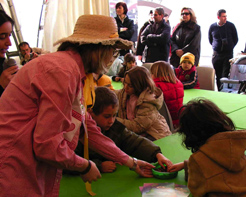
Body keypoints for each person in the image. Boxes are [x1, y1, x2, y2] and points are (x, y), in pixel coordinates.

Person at [0, 14, 155, 196]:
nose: (112, 58)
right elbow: (47, 145)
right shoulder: (64, 72)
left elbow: (89, 129)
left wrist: (132, 162)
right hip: (13, 170)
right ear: (98, 49)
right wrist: (84, 165)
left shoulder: (73, 71)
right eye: (113, 51)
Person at [168, 99, 246, 197]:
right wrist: (186, 164)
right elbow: (220, 169)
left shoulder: (198, 159)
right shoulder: (233, 145)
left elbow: (196, 190)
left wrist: (192, 166)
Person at [74, 86, 173, 173]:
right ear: (91, 113)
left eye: (114, 115)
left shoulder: (115, 127)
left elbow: (134, 141)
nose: (111, 121)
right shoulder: (78, 133)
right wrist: (98, 165)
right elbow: (70, 160)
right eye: (107, 116)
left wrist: (156, 154)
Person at [116, 66, 172, 141]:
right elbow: (114, 93)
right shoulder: (126, 93)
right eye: (125, 82)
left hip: (155, 135)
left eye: (130, 85)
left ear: (140, 85)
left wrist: (115, 120)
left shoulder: (148, 101)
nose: (125, 87)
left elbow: (138, 126)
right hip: (141, 134)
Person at [209, 9, 238, 90]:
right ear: (218, 17)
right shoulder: (213, 27)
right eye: (223, 16)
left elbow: (235, 39)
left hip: (227, 54)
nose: (225, 18)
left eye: (226, 16)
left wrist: (230, 46)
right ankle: (219, 90)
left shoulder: (231, 26)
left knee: (224, 75)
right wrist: (216, 46)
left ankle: (224, 91)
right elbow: (210, 39)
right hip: (217, 54)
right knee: (217, 75)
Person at [150, 61, 184, 127]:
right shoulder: (179, 83)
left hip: (164, 122)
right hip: (178, 120)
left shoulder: (156, 86)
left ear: (155, 74)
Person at [0, 10, 18, 97]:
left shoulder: (4, 65)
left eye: (9, 35)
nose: (9, 43)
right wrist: (1, 86)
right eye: (2, 37)